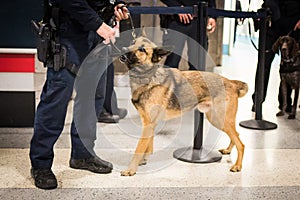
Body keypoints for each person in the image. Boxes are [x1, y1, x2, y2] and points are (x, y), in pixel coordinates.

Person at [29, 0, 128, 190]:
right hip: (70, 32)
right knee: (56, 100)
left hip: (98, 33)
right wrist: (98, 25)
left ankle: (82, 155)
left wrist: (117, 5)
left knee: (92, 97)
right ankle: (41, 164)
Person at [252, 0, 300, 112]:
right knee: (264, 63)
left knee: (289, 66)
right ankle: (258, 100)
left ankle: (285, 102)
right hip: (271, 20)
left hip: (293, 21)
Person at [160, 0, 217, 70]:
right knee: (172, 62)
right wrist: (177, 7)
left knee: (197, 65)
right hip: (176, 19)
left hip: (199, 20)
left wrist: (212, 16)